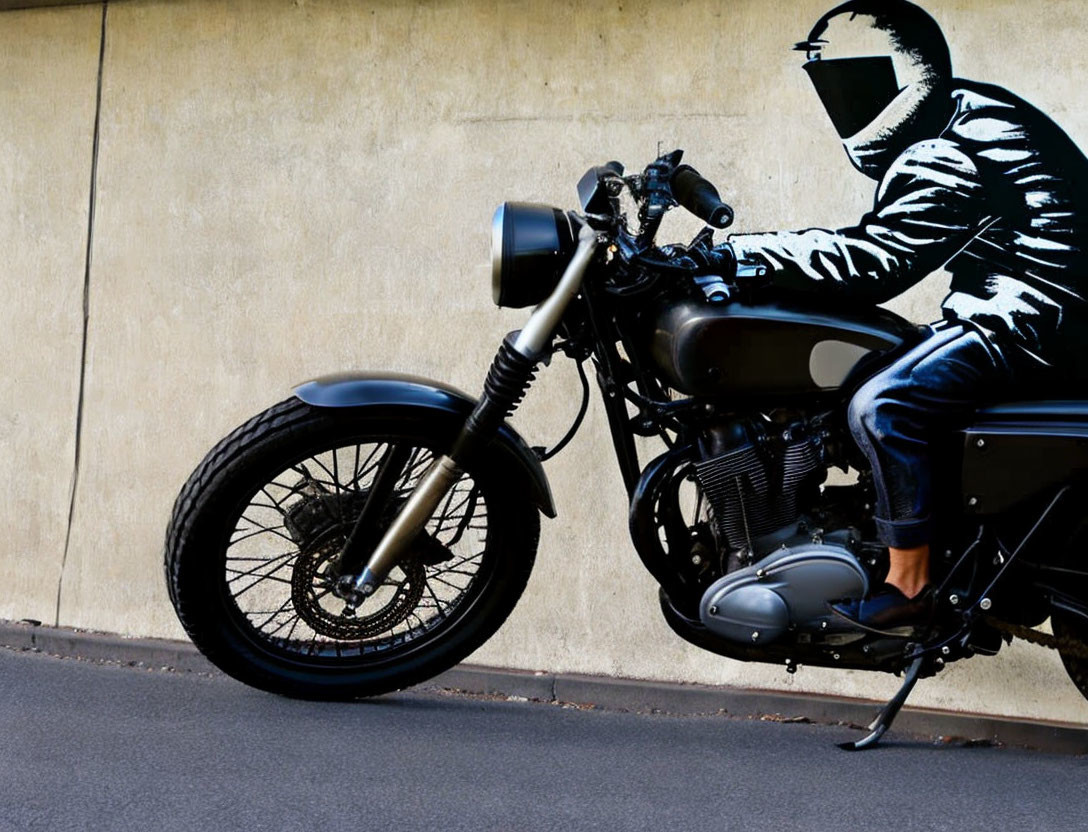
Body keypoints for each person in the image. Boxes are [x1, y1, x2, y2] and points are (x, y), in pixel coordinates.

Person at [695, 0, 1088, 629]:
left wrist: (737, 255)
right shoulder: (962, 112)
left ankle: (910, 585)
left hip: (1037, 322)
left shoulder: (949, 147)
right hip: (1030, 312)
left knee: (882, 405)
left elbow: (876, 259)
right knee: (866, 371)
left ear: (910, 73)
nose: (844, 101)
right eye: (834, 86)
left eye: (859, 83)